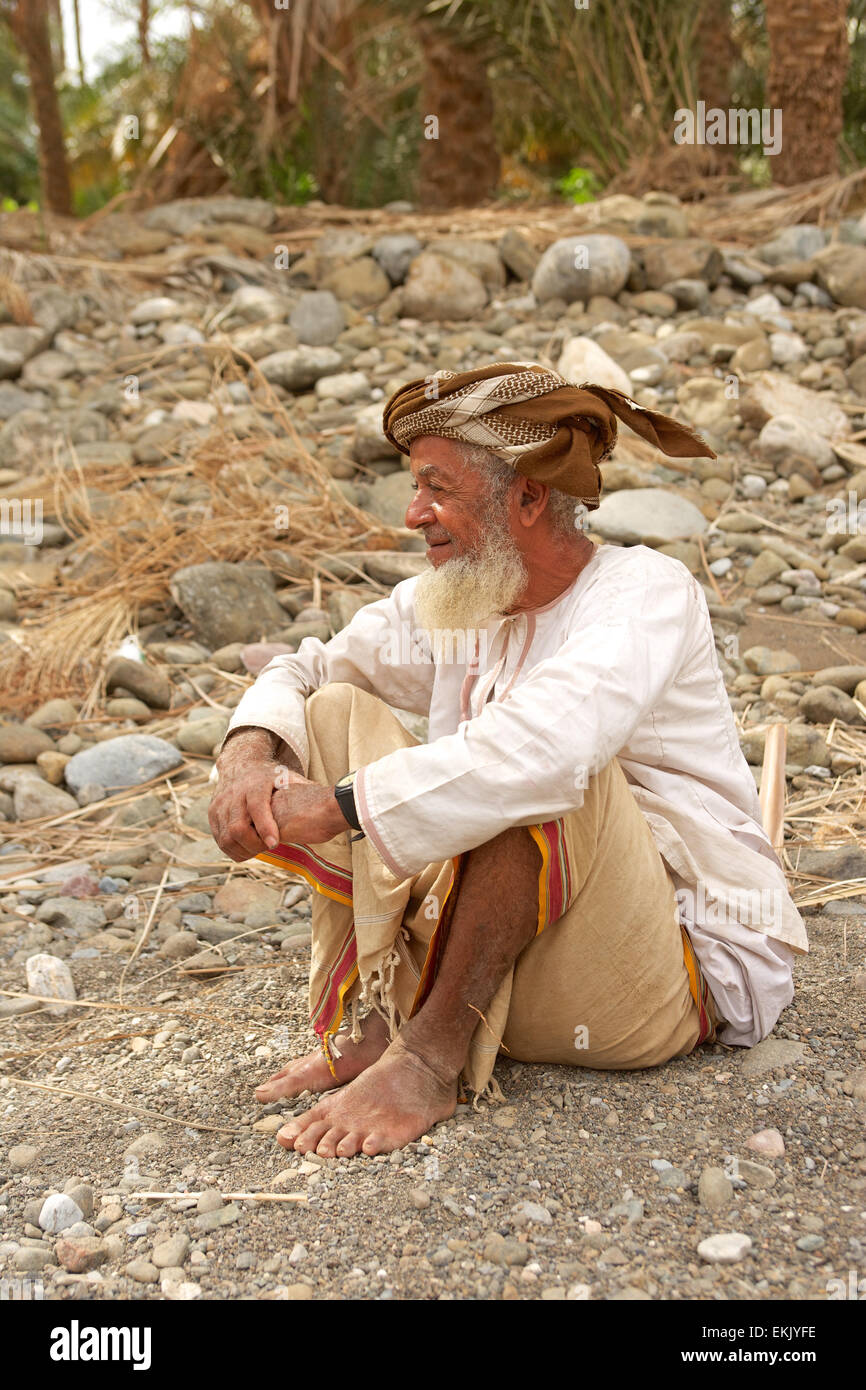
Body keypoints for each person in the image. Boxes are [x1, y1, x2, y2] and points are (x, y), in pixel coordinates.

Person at [209, 362, 808, 1158]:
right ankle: (388, 1018)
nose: (415, 513)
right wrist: (249, 757)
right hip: (506, 964)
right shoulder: (459, 601)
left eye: (437, 487)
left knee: (548, 772)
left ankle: (427, 1059)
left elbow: (545, 751)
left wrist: (343, 804)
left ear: (526, 496)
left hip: (644, 983)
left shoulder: (646, 593)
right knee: (326, 714)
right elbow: (306, 667)